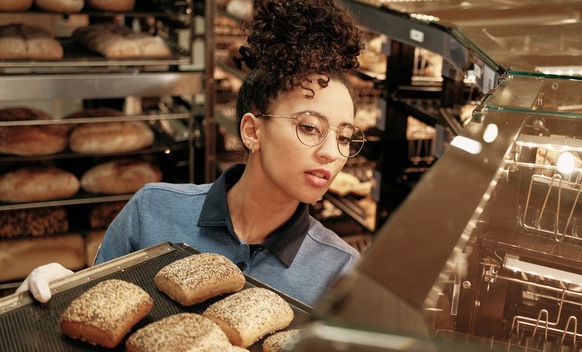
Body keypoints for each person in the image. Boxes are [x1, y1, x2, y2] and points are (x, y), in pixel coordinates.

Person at [15, 0, 366, 308]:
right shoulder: (153, 211)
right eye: (309, 127)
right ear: (252, 131)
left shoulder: (341, 271)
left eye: (345, 137)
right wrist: (64, 289)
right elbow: (98, 311)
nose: (331, 153)